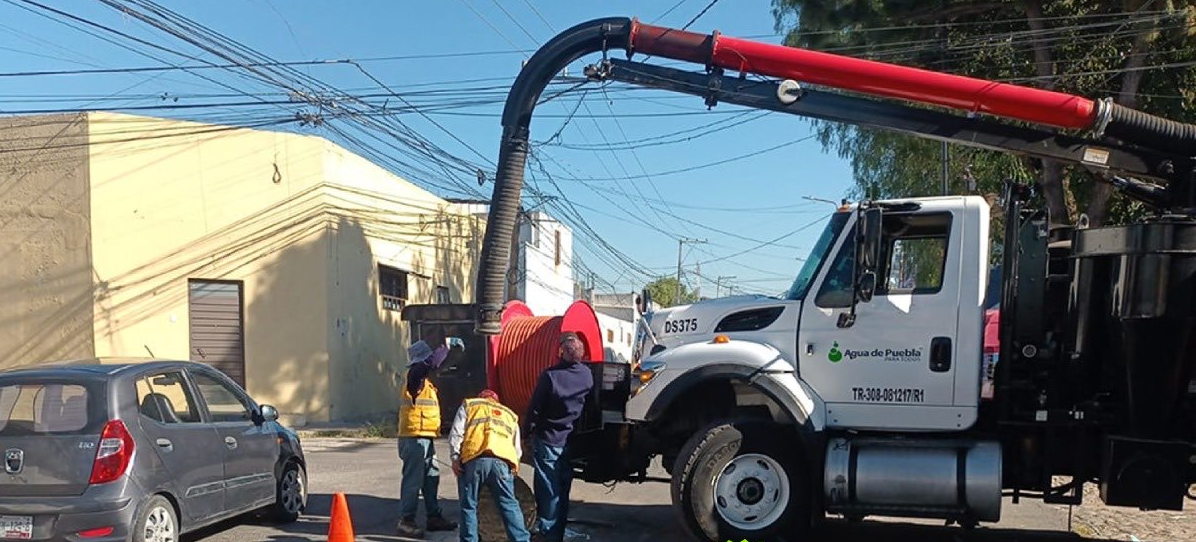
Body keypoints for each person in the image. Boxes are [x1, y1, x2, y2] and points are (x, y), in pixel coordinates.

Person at [524, 332, 594, 542]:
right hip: (569, 440)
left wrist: (526, 432)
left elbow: (535, 409)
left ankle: (549, 535)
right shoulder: (586, 376)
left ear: (562, 352)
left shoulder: (550, 376)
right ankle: (558, 532)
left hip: (548, 440)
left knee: (548, 491)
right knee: (562, 490)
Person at [449, 389, 530, 542]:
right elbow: (516, 447)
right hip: (502, 463)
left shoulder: (470, 405)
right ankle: (521, 540)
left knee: (469, 506)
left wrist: (455, 457)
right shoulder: (509, 414)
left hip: (474, 459)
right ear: (496, 401)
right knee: (509, 504)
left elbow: (456, 433)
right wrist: (514, 466)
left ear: (481, 397)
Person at [396, 339, 458, 537]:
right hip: (413, 437)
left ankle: (433, 517)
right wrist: (446, 346)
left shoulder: (424, 382)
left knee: (431, 476)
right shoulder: (415, 376)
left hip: (424, 436)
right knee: (413, 480)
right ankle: (406, 520)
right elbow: (429, 364)